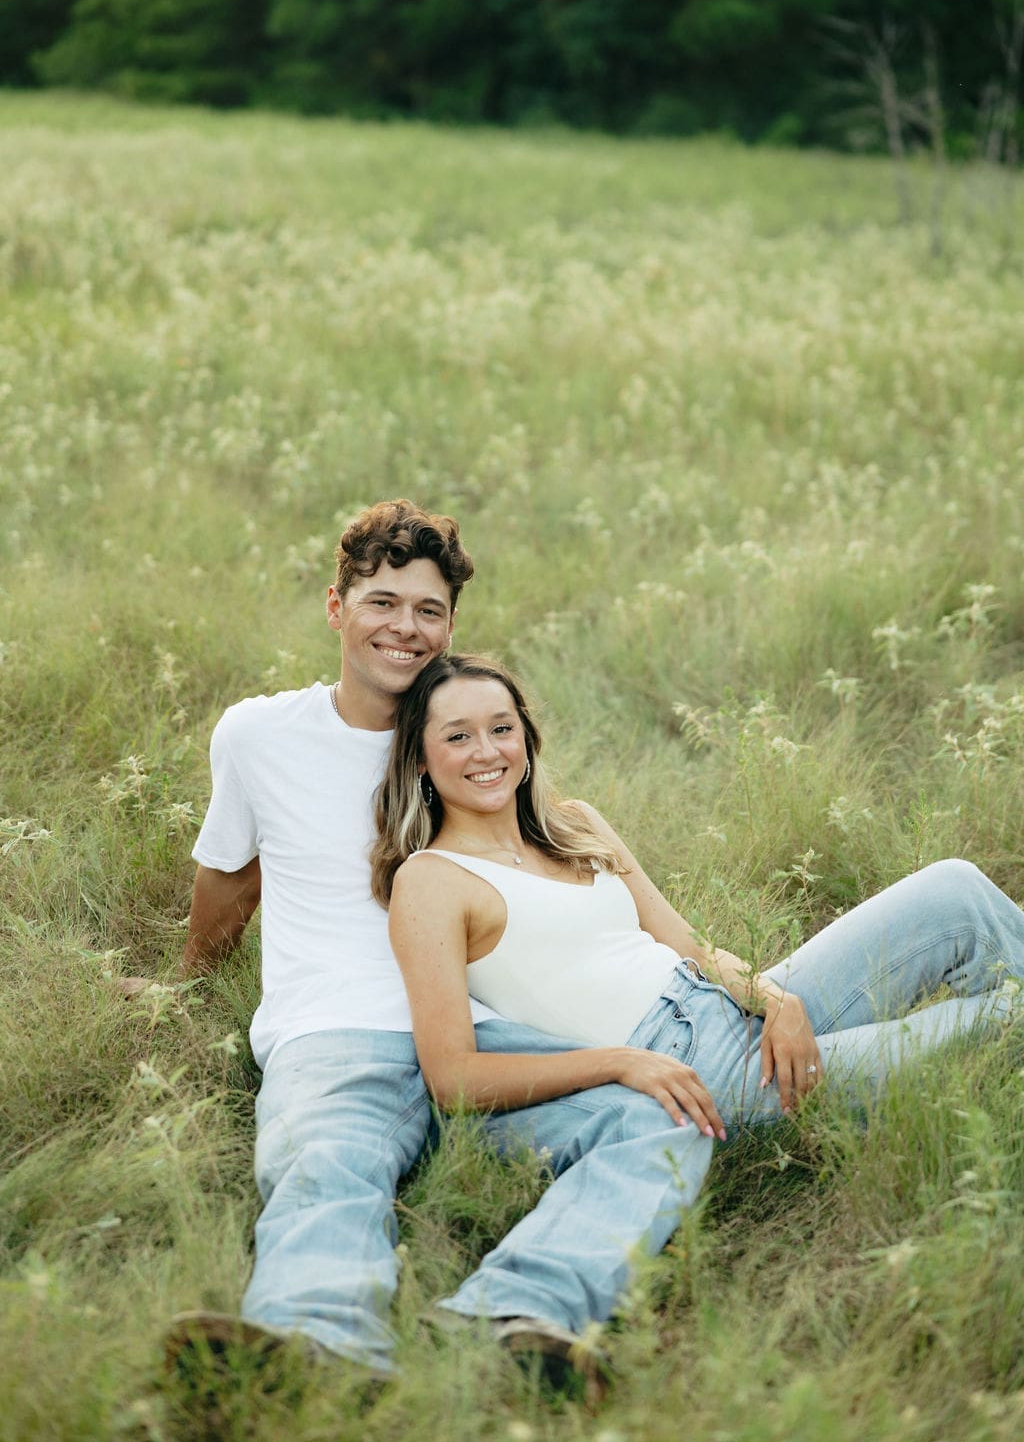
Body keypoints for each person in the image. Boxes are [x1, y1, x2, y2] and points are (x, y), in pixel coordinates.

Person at [159, 500, 715, 1390]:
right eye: (382, 602)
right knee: (328, 1158)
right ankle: (319, 1345)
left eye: (428, 610)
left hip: (482, 1032)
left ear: (450, 624)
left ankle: (511, 1319)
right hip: (345, 1026)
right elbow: (231, 878)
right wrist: (186, 988)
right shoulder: (259, 735)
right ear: (336, 608)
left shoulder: (462, 738)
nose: (404, 628)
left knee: (662, 1117)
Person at [374, 652, 1024, 1147]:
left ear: (526, 738)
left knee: (955, 886)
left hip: (728, 1007)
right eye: (458, 737)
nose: (487, 752)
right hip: (698, 1070)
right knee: (1008, 1016)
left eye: (501, 728)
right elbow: (453, 1078)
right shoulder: (432, 880)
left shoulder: (577, 824)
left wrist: (778, 1000)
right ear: (422, 761)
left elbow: (689, 946)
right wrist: (622, 1063)